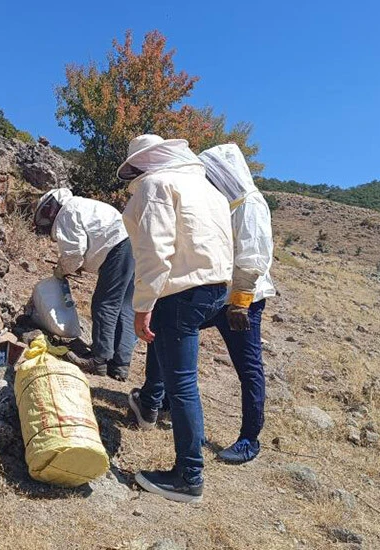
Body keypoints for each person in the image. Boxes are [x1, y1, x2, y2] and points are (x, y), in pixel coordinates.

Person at [120, 134, 234, 503]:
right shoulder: (208, 188)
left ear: (146, 161)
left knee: (183, 385)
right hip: (214, 289)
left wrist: (143, 304)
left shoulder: (157, 185)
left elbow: (155, 248)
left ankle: (189, 476)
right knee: (180, 374)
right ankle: (151, 408)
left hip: (181, 292)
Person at [197, 143, 276, 465]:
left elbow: (253, 258)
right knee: (170, 328)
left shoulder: (251, 205)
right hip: (219, 296)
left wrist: (240, 303)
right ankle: (159, 400)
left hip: (244, 303)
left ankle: (249, 439)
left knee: (249, 369)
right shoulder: (231, 206)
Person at [33, 188, 136, 381]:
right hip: (133, 244)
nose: (47, 218)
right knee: (125, 307)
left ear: (52, 206)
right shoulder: (82, 205)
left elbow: (74, 253)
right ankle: (120, 364)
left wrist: (61, 271)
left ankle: (99, 359)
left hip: (117, 248)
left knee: (104, 303)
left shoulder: (67, 212)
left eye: (46, 213)